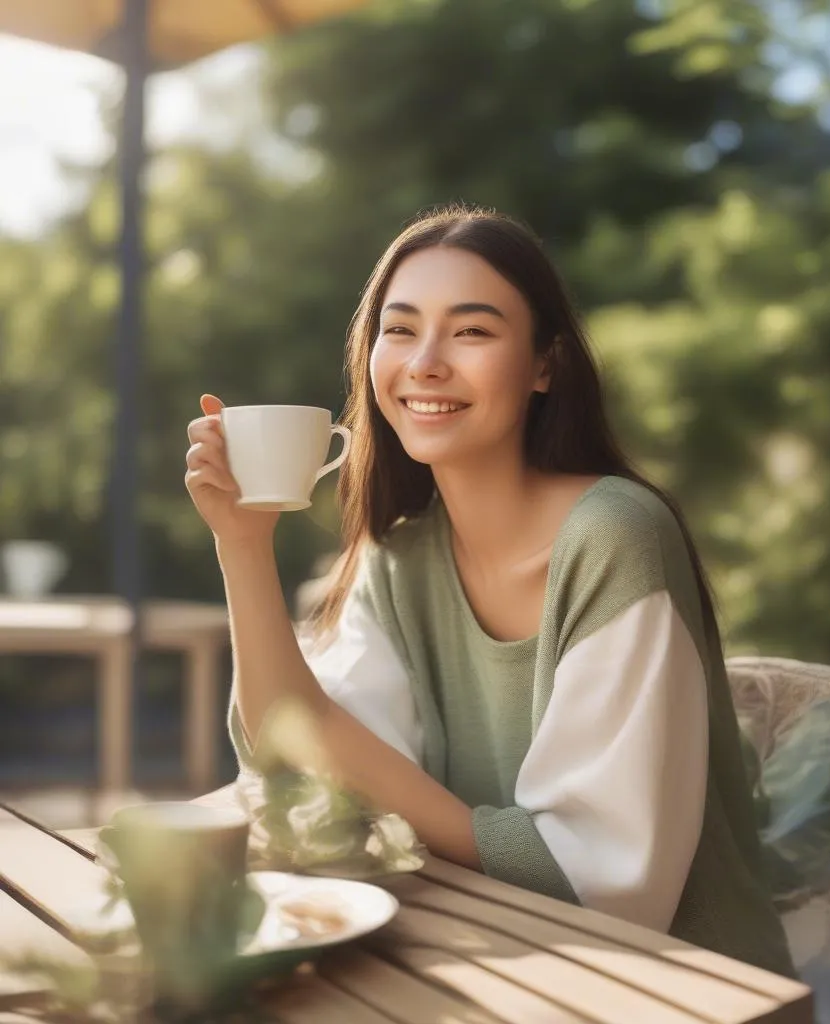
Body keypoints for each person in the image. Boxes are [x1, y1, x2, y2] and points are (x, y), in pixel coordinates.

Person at [184, 204, 795, 976]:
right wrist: (241, 546)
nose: (426, 362)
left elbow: (602, 884)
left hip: (675, 985)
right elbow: (299, 758)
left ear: (546, 365)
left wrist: (345, 753)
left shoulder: (618, 537)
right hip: (491, 961)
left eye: (471, 331)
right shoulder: (402, 558)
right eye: (399, 330)